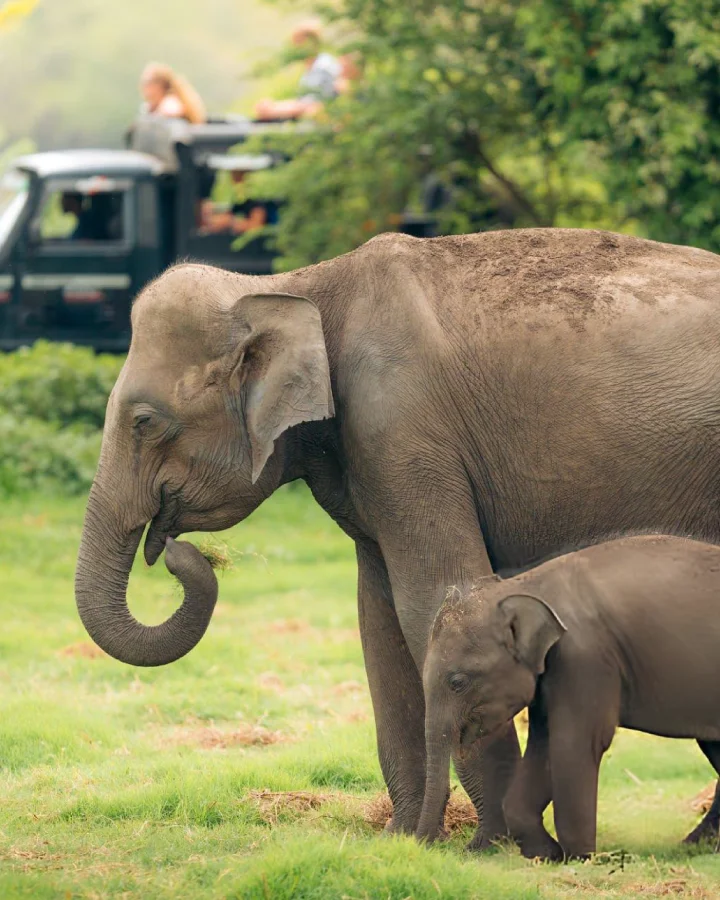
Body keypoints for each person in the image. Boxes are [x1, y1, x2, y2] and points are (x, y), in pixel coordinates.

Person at [254, 20, 348, 122]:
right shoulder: (312, 68)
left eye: (299, 41)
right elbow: (303, 101)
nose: (296, 47)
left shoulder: (323, 67)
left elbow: (311, 104)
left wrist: (274, 109)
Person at [200, 170, 278, 236]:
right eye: (234, 177)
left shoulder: (258, 201)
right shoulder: (239, 203)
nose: (236, 181)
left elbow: (256, 227)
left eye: (239, 176)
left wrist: (231, 222)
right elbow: (222, 218)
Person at [139, 62, 206, 125]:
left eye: (148, 83)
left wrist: (156, 115)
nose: (143, 87)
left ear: (160, 85)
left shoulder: (170, 101)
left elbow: (171, 110)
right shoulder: (151, 106)